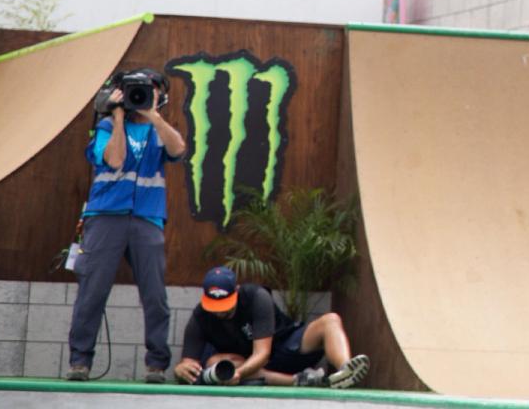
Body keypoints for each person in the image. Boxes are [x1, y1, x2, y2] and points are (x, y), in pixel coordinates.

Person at [66, 69, 186, 384]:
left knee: (155, 295)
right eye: (134, 91)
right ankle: (80, 361)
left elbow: (179, 150)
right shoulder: (105, 126)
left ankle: (156, 365)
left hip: (147, 218)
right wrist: (118, 117)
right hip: (106, 215)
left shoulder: (160, 130)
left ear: (161, 96)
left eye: (148, 91)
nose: (140, 97)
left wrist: (153, 114)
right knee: (93, 291)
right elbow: (115, 160)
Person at [173, 266, 370, 388]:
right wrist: (181, 369)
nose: (219, 312)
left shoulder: (257, 297)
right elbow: (188, 362)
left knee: (331, 320)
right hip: (247, 366)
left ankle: (346, 370)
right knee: (216, 362)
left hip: (283, 347)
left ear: (237, 291)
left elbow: (262, 354)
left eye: (224, 305)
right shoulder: (200, 315)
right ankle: (299, 381)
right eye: (214, 306)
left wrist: (238, 374)